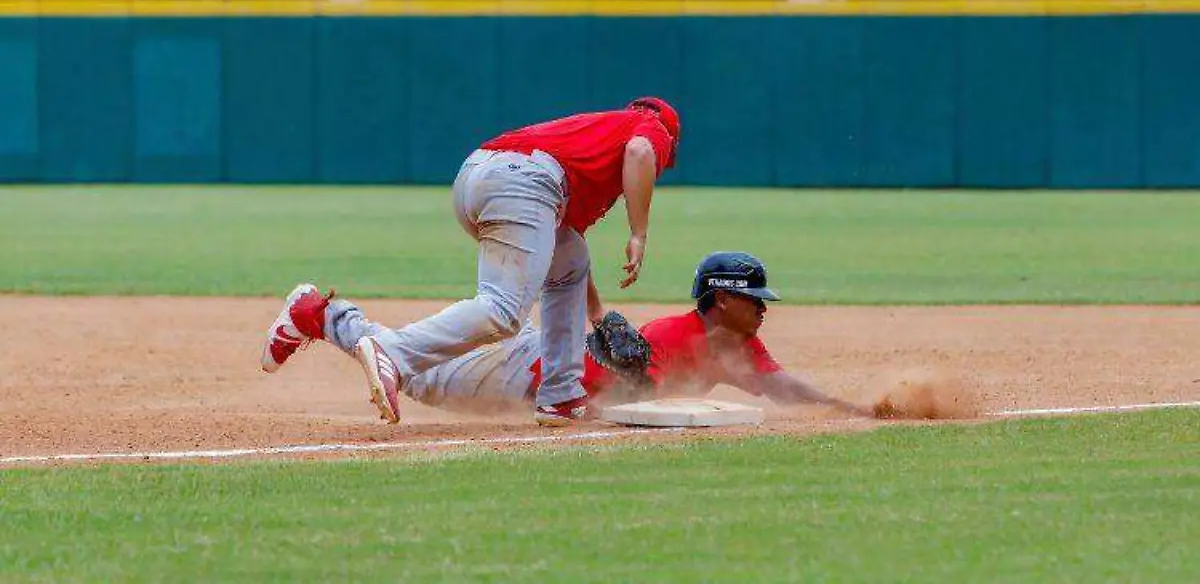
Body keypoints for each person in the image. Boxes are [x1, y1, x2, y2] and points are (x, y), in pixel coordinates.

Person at [259, 98, 682, 426]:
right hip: (525, 183)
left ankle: (561, 395)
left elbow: (562, 250)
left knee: (571, 259)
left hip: (480, 176)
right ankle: (392, 352)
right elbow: (642, 152)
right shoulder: (651, 127)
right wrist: (638, 233)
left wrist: (598, 316)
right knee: (503, 310)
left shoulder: (592, 134)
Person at [259, 251, 867, 419]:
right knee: (416, 381)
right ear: (723, 299)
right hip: (533, 366)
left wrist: (855, 409)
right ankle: (319, 313)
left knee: (416, 378)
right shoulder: (677, 334)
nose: (763, 310)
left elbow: (781, 386)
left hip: (548, 375)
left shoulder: (739, 351)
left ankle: (328, 319)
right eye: (753, 300)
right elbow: (614, 378)